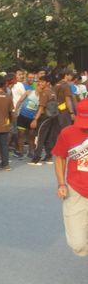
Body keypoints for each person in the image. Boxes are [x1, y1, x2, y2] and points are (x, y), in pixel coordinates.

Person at [52, 98, 88, 256]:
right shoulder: (68, 132)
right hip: (76, 190)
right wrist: (61, 184)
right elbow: (59, 156)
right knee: (77, 242)